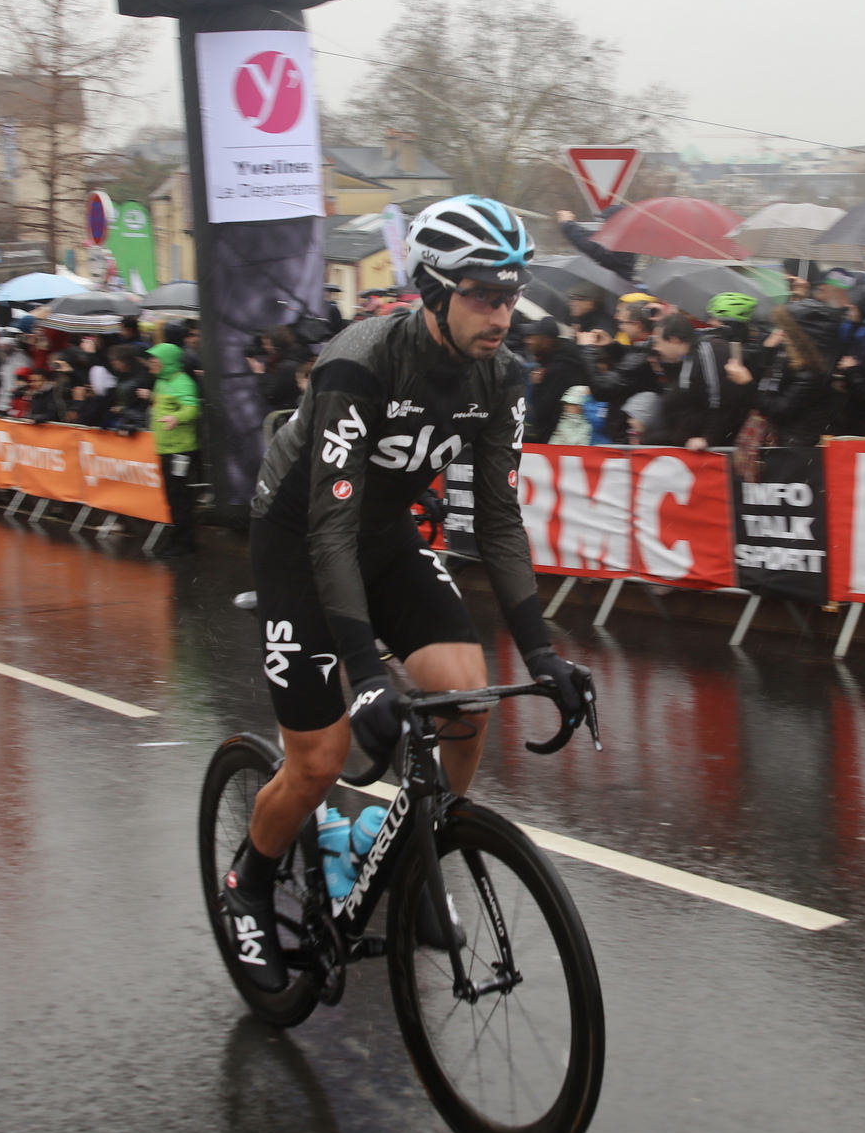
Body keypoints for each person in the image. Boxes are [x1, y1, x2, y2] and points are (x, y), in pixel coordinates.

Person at [222, 195, 592, 992]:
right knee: (318, 762)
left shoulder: (503, 374)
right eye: (483, 295)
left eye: (511, 295)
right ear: (433, 290)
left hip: (385, 535)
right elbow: (328, 530)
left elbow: (498, 520)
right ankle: (248, 880)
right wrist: (366, 673)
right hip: (299, 537)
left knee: (469, 700)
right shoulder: (360, 361)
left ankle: (414, 862)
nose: (502, 314)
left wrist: (542, 654)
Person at [751, 299, 844, 446]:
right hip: (783, 439)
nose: (781, 334)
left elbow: (777, 409)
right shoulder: (791, 358)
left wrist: (747, 385)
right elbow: (766, 382)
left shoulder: (810, 373)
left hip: (795, 444)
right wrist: (767, 351)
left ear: (800, 337)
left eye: (787, 330)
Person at [650, 315, 744, 450]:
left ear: (674, 340)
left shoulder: (708, 351)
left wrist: (709, 438)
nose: (656, 348)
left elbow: (720, 398)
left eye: (658, 342)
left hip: (717, 441)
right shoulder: (687, 357)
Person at [148, 341, 201, 556]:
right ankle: (179, 538)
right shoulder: (160, 382)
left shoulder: (183, 382)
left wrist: (176, 418)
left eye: (155, 359)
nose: (151, 363)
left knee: (180, 496)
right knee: (172, 496)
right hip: (165, 449)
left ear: (167, 361)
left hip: (180, 450)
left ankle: (185, 543)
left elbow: (193, 409)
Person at [522, 317, 590, 444]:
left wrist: (537, 386)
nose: (528, 341)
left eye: (533, 337)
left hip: (555, 440)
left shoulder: (559, 369)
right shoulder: (549, 361)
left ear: (546, 340)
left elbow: (542, 410)